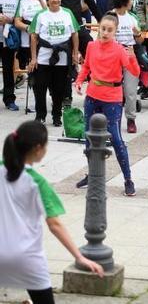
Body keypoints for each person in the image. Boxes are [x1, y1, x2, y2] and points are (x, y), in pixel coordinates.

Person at [0, 121, 104, 303]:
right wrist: (79, 257)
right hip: (26, 257)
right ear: (38, 148)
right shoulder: (37, 182)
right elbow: (55, 225)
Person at [73, 13, 140, 195]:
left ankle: (128, 179)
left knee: (116, 139)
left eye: (110, 30)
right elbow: (86, 67)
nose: (105, 33)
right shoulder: (92, 46)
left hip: (112, 98)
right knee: (89, 137)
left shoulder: (119, 50)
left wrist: (133, 57)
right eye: (103, 28)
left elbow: (134, 71)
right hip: (93, 95)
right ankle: (93, 174)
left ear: (115, 31)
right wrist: (79, 81)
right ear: (98, 28)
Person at [27, 0, 80, 127]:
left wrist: (75, 53)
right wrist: (33, 58)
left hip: (62, 58)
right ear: (47, 0)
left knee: (59, 89)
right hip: (44, 57)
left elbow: (75, 34)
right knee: (40, 88)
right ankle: (40, 115)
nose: (56, 0)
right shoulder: (41, 15)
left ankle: (57, 115)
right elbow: (33, 36)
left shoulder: (67, 13)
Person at [107, 0, 143, 134]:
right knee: (111, 89)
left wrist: (138, 34)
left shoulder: (132, 17)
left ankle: (131, 119)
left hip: (129, 55)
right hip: (112, 56)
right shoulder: (110, 16)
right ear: (124, 1)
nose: (131, 2)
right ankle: (111, 119)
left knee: (130, 90)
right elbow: (101, 37)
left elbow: (140, 40)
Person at [14, 0, 47, 97]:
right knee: (32, 70)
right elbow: (17, 21)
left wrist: (41, 0)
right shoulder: (24, 1)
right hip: (27, 39)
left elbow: (49, 15)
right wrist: (29, 28)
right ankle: (35, 100)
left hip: (44, 39)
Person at [0, 0, 21, 111]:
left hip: (9, 39)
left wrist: (11, 20)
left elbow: (20, 17)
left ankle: (9, 99)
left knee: (8, 69)